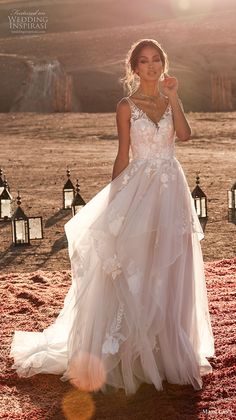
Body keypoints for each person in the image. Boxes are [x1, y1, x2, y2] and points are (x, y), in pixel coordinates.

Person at [10, 38, 215, 396]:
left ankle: (166, 348)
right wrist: (115, 203)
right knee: (136, 263)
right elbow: (123, 155)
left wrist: (176, 95)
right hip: (139, 188)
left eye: (156, 60)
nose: (151, 66)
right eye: (144, 61)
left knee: (171, 265)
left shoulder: (169, 100)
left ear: (163, 64)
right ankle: (129, 350)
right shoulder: (126, 106)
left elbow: (183, 134)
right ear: (134, 68)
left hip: (171, 192)